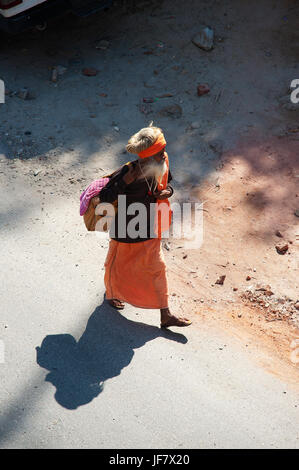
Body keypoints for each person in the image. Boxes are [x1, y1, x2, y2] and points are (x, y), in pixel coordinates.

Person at [99, 123, 192, 328]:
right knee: (117, 267)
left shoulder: (163, 162)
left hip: (150, 227)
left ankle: (165, 315)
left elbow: (169, 182)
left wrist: (167, 192)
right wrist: (124, 183)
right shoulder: (128, 172)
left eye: (163, 150)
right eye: (159, 152)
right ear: (147, 155)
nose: (163, 155)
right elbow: (104, 197)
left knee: (157, 268)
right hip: (125, 229)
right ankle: (112, 293)